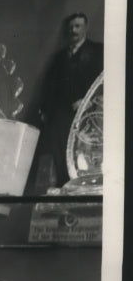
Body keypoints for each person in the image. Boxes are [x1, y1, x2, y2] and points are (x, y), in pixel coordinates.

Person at [39, 12, 104, 186]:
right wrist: (45, 109)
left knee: (82, 152)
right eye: (71, 27)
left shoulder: (98, 51)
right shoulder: (60, 57)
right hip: (61, 114)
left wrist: (86, 101)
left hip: (86, 113)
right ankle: (63, 185)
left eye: (78, 26)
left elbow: (103, 83)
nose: (74, 31)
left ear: (85, 28)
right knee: (58, 151)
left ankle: (78, 185)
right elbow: (51, 85)